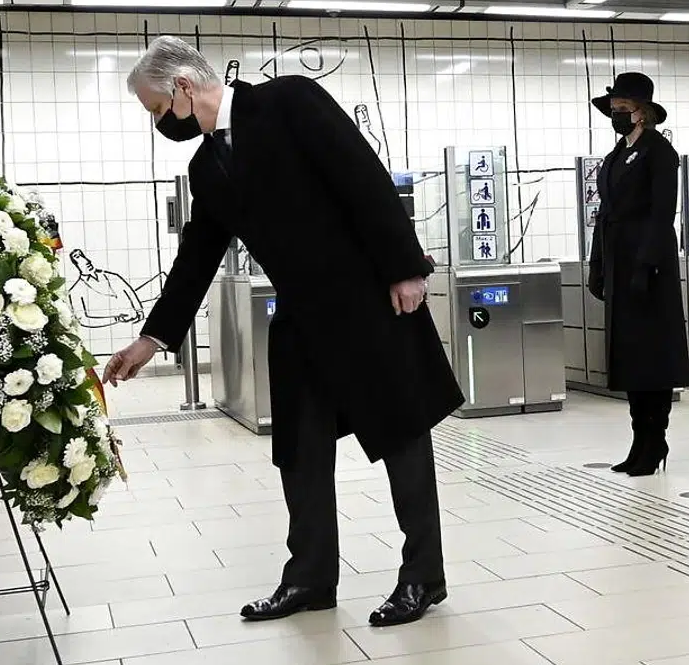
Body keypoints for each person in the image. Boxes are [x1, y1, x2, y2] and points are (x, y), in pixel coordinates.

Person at [104, 36, 464, 628]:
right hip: (300, 315)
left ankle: (423, 576)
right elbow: (197, 255)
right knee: (299, 448)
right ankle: (310, 579)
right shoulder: (207, 165)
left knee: (400, 434)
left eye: (155, 109)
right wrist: (153, 338)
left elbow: (362, 173)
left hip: (368, 300)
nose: (157, 123)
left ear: (184, 90)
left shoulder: (288, 102)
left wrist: (405, 267)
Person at [587, 73, 689, 476]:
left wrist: (647, 264)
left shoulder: (658, 152)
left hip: (649, 264)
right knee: (629, 354)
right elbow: (604, 215)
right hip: (618, 257)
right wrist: (598, 265)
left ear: (642, 113)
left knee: (652, 353)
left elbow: (663, 214)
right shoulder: (616, 155)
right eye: (613, 109)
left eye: (622, 109)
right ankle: (638, 439)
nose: (616, 115)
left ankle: (655, 438)